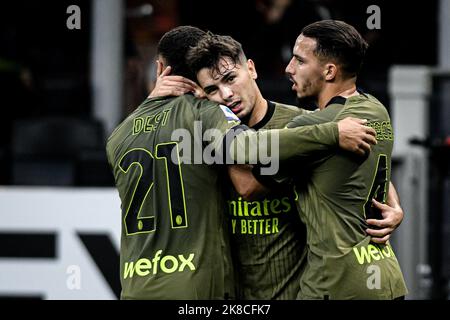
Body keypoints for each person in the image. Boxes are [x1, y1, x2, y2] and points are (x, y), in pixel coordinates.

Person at [106, 25, 376, 299]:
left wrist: (392, 203)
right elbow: (246, 184)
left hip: (293, 290)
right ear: (197, 91)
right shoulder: (200, 127)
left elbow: (361, 160)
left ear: (251, 69)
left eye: (231, 78)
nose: (226, 94)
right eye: (211, 89)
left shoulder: (299, 124)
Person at [280, 20, 408, 299]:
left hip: (336, 285)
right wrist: (395, 206)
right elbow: (373, 166)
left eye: (299, 61)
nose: (289, 69)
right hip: (385, 278)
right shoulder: (375, 108)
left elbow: (249, 178)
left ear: (329, 71)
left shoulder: (313, 126)